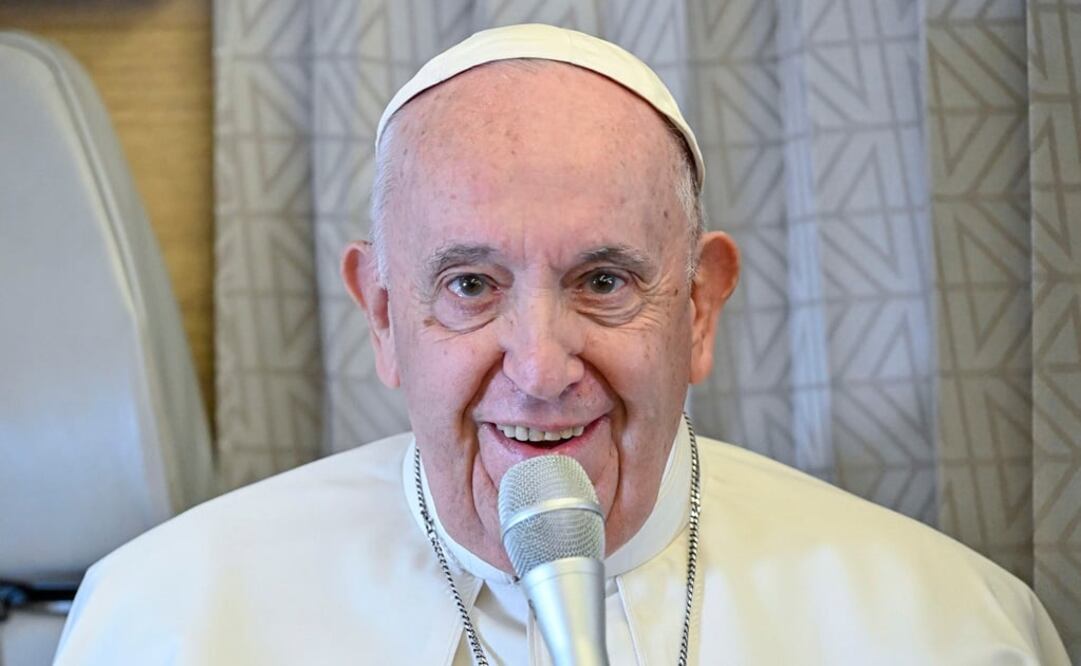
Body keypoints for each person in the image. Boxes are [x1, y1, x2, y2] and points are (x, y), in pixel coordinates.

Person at [54, 23, 1068, 665]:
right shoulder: (168, 621)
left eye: (602, 281)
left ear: (700, 308)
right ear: (382, 315)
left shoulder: (943, 628)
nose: (539, 371)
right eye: (469, 285)